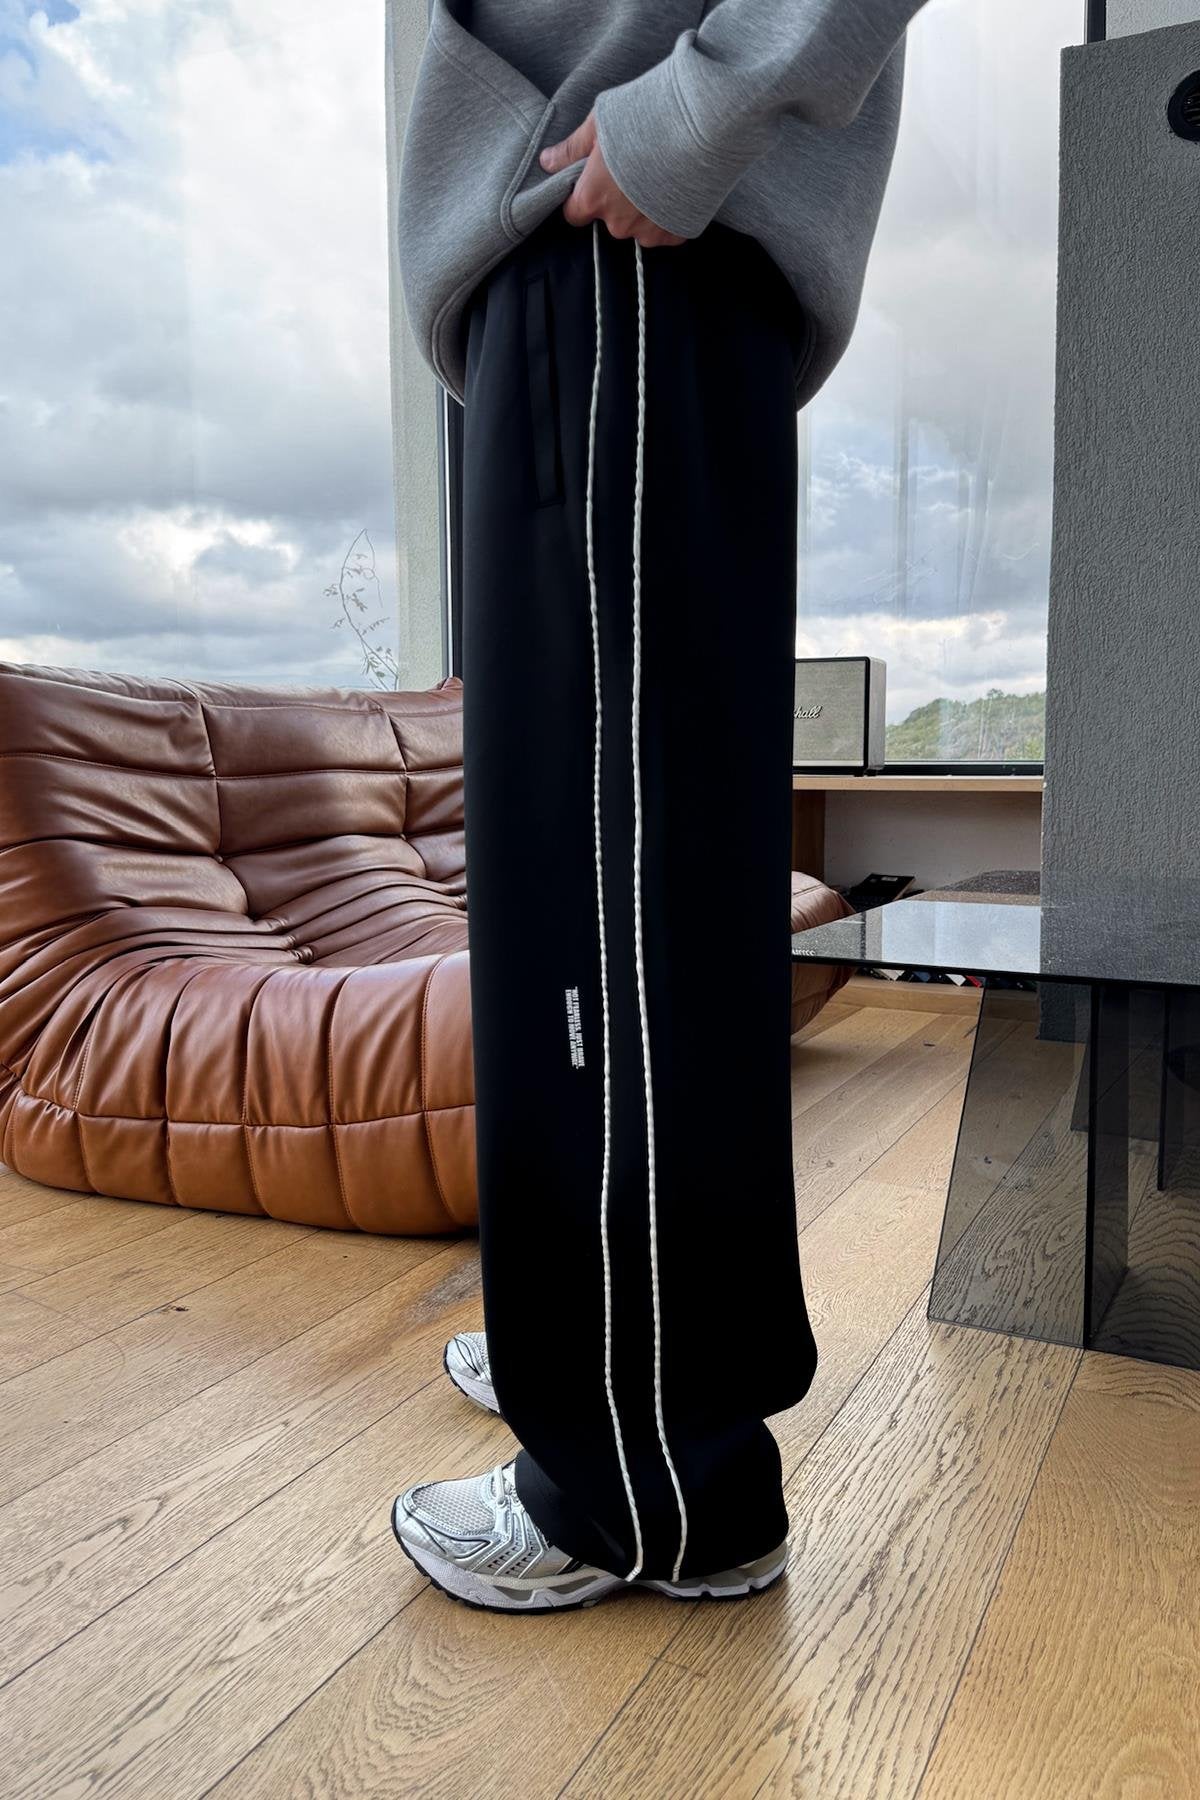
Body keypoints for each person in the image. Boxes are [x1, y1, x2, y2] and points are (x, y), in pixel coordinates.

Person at [390, 0, 929, 1612]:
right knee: (606, 888)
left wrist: (695, 111)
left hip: (619, 223)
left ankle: (645, 1483)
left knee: (600, 899)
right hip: (588, 249)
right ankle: (608, 1351)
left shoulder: (650, 183)